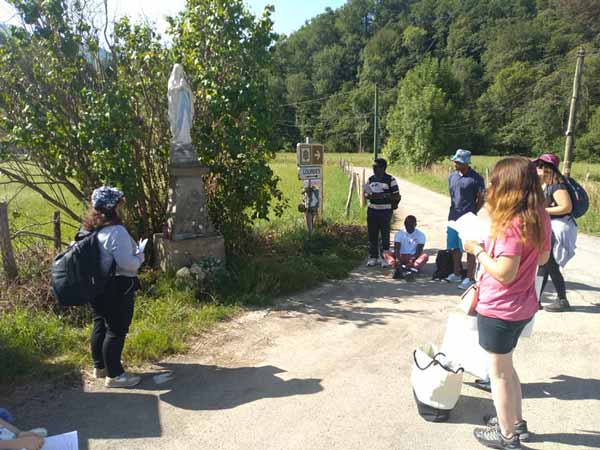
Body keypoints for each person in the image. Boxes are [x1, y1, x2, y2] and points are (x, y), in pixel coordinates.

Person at [464, 157, 551, 450]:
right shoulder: (539, 215)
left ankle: (506, 436)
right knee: (507, 367)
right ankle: (516, 423)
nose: (491, 186)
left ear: (508, 185)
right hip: (523, 305)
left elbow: (504, 273)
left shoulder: (510, 223)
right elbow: (542, 258)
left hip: (499, 308)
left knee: (498, 374)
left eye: (495, 181)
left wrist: (477, 251)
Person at [84, 186, 144, 388]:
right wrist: (140, 257)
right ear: (112, 207)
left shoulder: (90, 229)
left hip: (96, 286)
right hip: (117, 286)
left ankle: (100, 367)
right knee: (117, 329)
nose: (121, 208)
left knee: (100, 323)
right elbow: (128, 264)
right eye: (119, 204)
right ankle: (115, 375)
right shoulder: (116, 232)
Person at [533, 153, 576, 312]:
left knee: (549, 263)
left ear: (547, 168)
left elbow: (566, 207)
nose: (536, 169)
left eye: (539, 166)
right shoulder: (549, 184)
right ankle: (536, 299)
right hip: (551, 227)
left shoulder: (558, 186)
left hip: (558, 228)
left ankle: (562, 300)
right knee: (544, 264)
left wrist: (541, 210)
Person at [447, 149, 486, 290]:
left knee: (470, 247)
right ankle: (457, 273)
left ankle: (470, 277)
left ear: (466, 163)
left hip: (469, 218)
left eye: (458, 162)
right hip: (453, 217)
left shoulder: (476, 178)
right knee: (454, 247)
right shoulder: (452, 176)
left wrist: (473, 212)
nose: (455, 164)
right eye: (455, 161)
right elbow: (452, 195)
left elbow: (481, 198)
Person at [365, 158, 401, 268]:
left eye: (376, 167)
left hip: (385, 211)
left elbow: (397, 196)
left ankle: (385, 258)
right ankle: (373, 257)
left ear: (383, 168)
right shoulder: (371, 179)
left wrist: (383, 195)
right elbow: (366, 194)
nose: (374, 169)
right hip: (372, 210)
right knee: (372, 234)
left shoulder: (390, 179)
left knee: (385, 235)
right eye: (373, 167)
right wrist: (370, 195)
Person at [392, 215, 429, 280]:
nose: (409, 228)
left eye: (411, 226)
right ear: (404, 224)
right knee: (386, 253)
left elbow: (419, 250)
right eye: (407, 225)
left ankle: (410, 270)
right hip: (401, 256)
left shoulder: (421, 235)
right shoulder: (399, 234)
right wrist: (398, 259)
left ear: (415, 225)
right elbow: (396, 248)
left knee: (425, 256)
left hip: (413, 257)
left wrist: (412, 260)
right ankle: (400, 268)